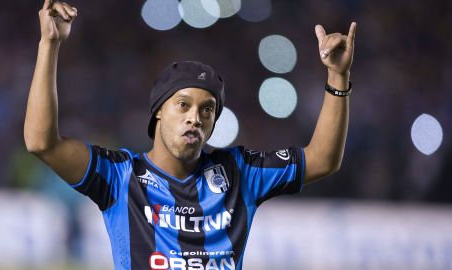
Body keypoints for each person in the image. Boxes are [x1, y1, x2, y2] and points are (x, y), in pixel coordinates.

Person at [24, 1, 357, 269]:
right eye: (182, 105)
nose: (194, 118)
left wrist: (337, 77)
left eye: (207, 110)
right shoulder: (120, 176)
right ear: (158, 111)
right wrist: (49, 44)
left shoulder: (238, 172)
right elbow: (41, 143)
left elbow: (322, 160)